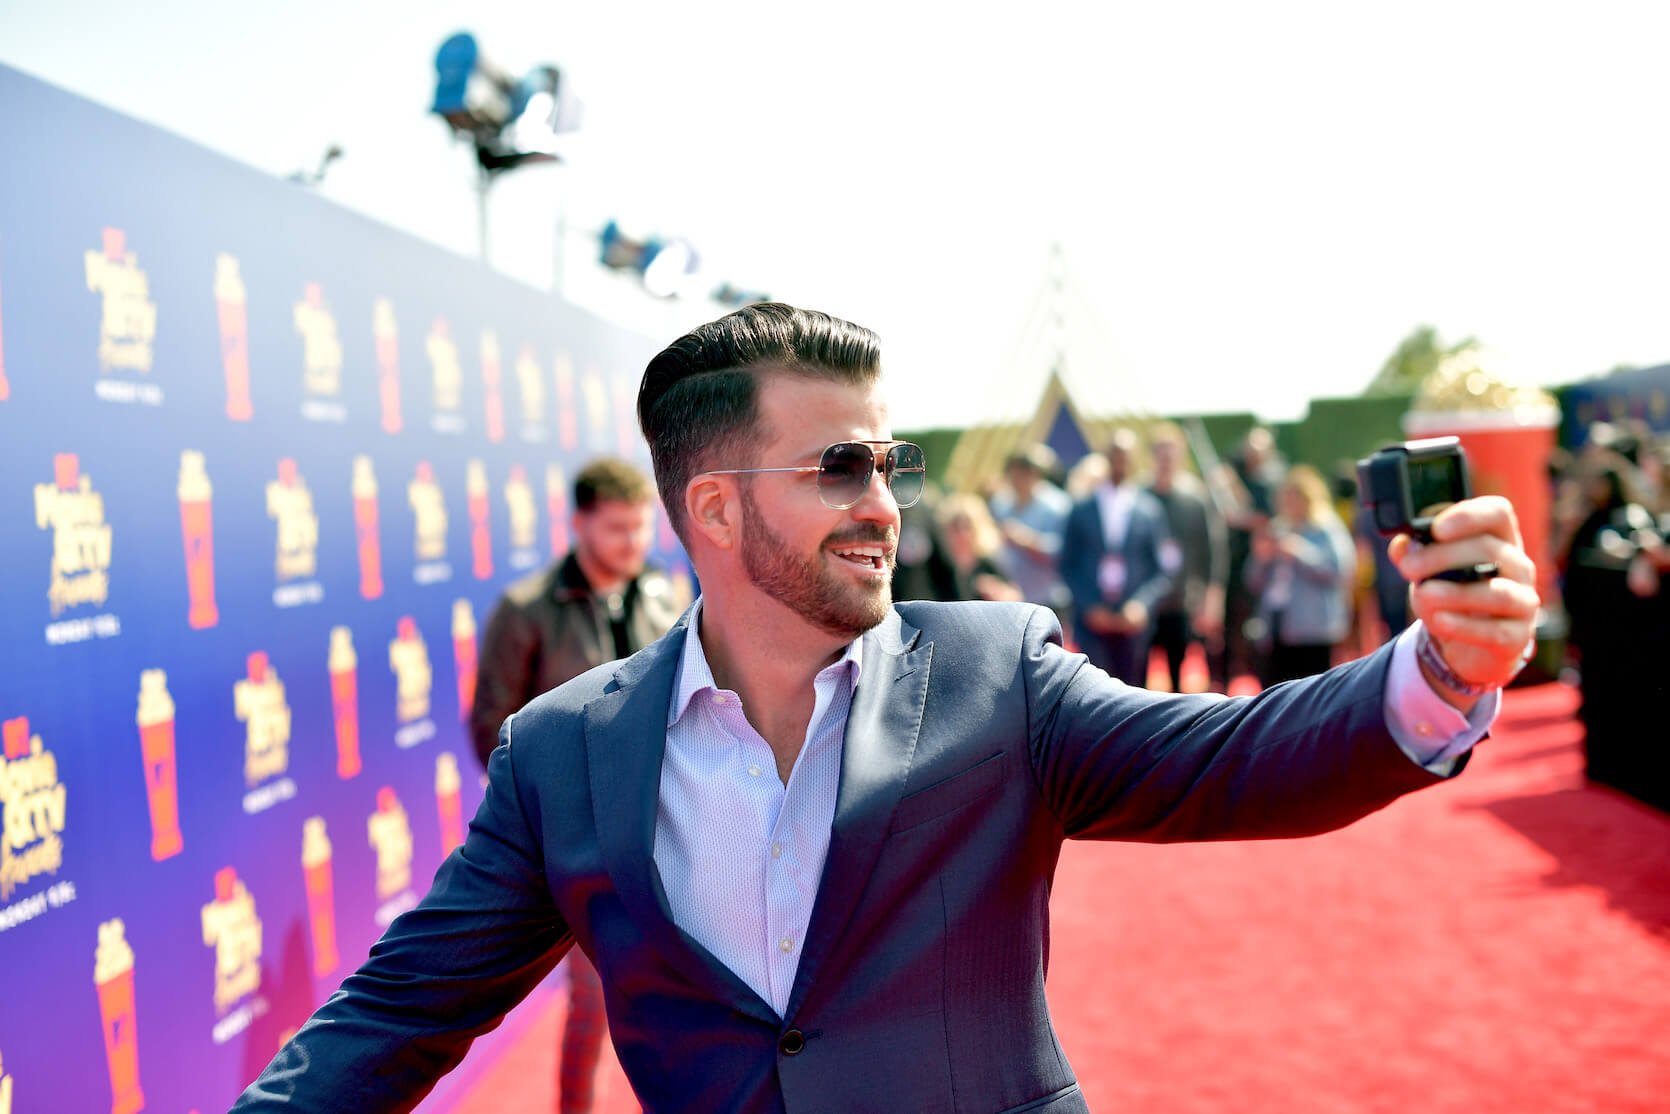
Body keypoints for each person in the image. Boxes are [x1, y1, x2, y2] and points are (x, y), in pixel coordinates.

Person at [235, 303, 1540, 1113]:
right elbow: (398, 1012)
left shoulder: (998, 671)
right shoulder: (561, 752)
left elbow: (1237, 759)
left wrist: (1437, 670)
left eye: (887, 460)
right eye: (838, 466)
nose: (882, 501)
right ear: (715, 507)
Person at [467, 456, 679, 1114]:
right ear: (579, 523)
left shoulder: (664, 592)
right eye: (617, 530)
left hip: (666, 834)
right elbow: (491, 731)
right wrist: (561, 811)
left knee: (676, 1014)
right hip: (577, 848)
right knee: (592, 1010)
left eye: (642, 529)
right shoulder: (526, 610)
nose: (633, 545)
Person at [1060, 428, 1175, 686]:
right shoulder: (1081, 508)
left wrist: (1141, 605)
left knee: (1133, 693)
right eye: (1115, 455)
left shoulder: (1149, 510)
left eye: (1126, 456)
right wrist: (1089, 605)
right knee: (1094, 692)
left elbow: (1162, 569)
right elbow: (1067, 563)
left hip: (1132, 623)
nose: (1120, 462)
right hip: (1092, 621)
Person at [1244, 464, 1357, 685]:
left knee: (1310, 690)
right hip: (1276, 626)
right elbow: (1252, 582)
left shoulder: (1326, 528)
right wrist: (1262, 558)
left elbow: (1338, 570)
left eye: (1295, 497)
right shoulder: (1277, 528)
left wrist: (1300, 552)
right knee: (1275, 688)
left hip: (1312, 629)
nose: (1289, 504)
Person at [1143, 423, 1227, 692]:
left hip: (1182, 602)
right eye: (1161, 452)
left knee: (1180, 676)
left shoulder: (1195, 499)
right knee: (1136, 680)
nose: (1166, 459)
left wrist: (1212, 596)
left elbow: (1212, 549)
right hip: (1143, 604)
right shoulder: (1139, 497)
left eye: (1172, 453)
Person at [988, 445, 1072, 618]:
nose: (1017, 480)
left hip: (1048, 601)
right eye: (1014, 474)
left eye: (1024, 473)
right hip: (1010, 602)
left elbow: (1064, 553)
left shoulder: (1058, 505)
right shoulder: (999, 504)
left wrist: (1025, 540)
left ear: (1036, 474)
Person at [937, 492, 1023, 602]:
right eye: (956, 527)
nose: (962, 534)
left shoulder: (987, 564)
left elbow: (1016, 597)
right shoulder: (939, 563)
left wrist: (996, 591)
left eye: (967, 526)